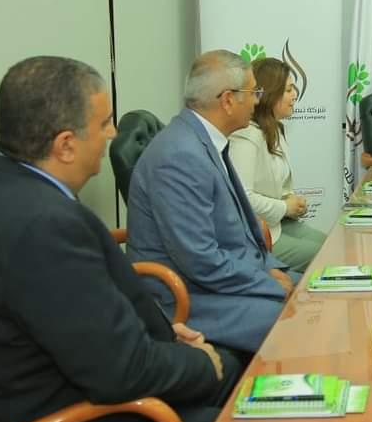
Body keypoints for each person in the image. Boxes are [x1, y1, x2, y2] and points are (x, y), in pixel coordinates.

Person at [0, 56, 237, 422]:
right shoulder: (44, 225)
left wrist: (161, 339)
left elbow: (70, 317)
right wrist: (201, 363)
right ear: (65, 145)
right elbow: (123, 372)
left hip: (43, 382)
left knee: (234, 374)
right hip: (59, 412)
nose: (112, 134)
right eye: (104, 123)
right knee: (233, 391)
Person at [127, 50, 297, 354]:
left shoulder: (204, 140)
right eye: (254, 92)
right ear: (228, 100)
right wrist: (268, 283)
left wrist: (269, 269)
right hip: (187, 298)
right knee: (299, 318)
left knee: (317, 288)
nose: (257, 101)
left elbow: (241, 234)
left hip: (223, 282)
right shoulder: (180, 155)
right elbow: (200, 260)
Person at [228, 58, 325, 273]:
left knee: (332, 243)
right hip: (256, 235)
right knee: (328, 254)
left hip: (280, 223)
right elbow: (243, 199)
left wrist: (291, 201)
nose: (295, 95)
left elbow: (272, 185)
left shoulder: (274, 130)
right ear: (270, 95)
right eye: (288, 90)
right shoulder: (246, 136)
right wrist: (285, 206)